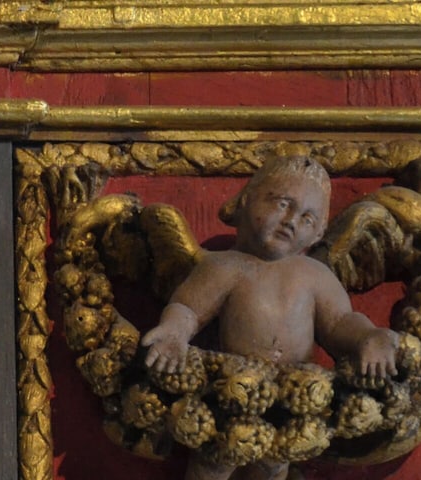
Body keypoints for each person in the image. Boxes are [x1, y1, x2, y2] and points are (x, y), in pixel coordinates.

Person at [139, 155, 400, 480]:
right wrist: (173, 333)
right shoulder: (225, 267)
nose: (291, 221)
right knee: (216, 461)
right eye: (282, 204)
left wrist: (369, 337)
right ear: (247, 200)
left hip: (292, 398)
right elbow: (188, 309)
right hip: (233, 394)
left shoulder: (314, 275)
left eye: (307, 218)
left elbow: (340, 322)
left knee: (274, 465)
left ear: (319, 232)